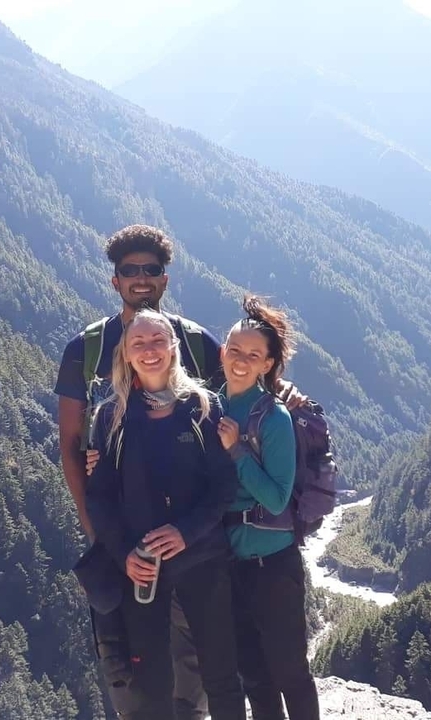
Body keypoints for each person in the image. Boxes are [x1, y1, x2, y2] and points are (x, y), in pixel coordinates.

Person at [56, 224, 220, 719]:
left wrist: (289, 397)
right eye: (130, 271)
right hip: (118, 535)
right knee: (127, 669)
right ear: (115, 281)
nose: (141, 279)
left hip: (190, 541)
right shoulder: (84, 350)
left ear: (164, 280)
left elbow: (234, 413)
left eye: (151, 270)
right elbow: (70, 445)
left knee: (191, 675)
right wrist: (106, 538)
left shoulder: (193, 344)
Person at [85, 309, 245, 720]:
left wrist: (185, 533)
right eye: (138, 343)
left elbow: (223, 486)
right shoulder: (110, 417)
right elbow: (100, 498)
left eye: (158, 340)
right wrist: (125, 556)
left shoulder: (203, 408)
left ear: (174, 348)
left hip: (202, 557)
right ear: (126, 354)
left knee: (221, 672)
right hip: (142, 567)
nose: (149, 350)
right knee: (151, 679)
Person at [216, 296, 321, 720]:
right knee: (254, 674)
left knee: (289, 672)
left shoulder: (273, 417)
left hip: (272, 564)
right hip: (231, 561)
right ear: (223, 352)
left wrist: (238, 451)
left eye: (253, 355)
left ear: (267, 364)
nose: (241, 361)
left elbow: (277, 497)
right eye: (235, 351)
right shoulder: (211, 404)